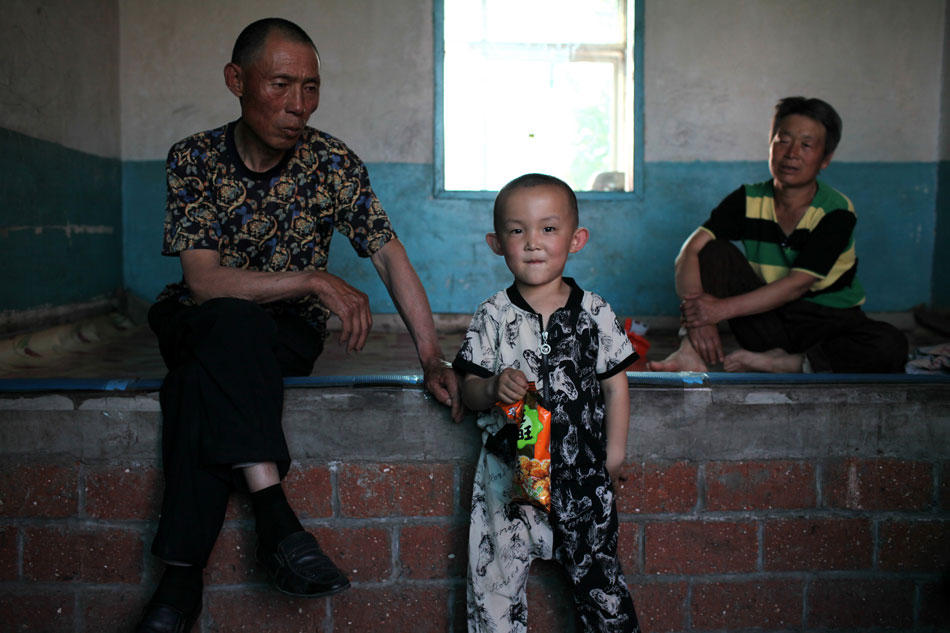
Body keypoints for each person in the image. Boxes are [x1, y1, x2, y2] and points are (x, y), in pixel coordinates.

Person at [137, 18, 461, 633]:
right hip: (197, 319)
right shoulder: (196, 159)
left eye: (311, 88)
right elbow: (204, 281)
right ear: (237, 80)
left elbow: (389, 254)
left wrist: (430, 358)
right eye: (281, 85)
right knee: (229, 324)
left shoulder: (332, 162)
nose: (298, 106)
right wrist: (314, 279)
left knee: (194, 385)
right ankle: (275, 519)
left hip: (282, 335)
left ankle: (179, 586)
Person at [453, 174, 641, 632]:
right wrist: (494, 385)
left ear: (576, 240)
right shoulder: (493, 314)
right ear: (497, 243)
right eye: (517, 231)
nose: (533, 243)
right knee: (494, 582)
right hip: (511, 471)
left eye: (548, 229)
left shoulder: (595, 312)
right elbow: (468, 389)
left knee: (600, 581)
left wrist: (613, 456)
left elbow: (616, 386)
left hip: (581, 472)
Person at [647, 97, 907, 374]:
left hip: (828, 322)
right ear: (770, 145)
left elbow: (797, 284)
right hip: (767, 321)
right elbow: (690, 251)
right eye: (783, 140)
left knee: (890, 344)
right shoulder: (748, 199)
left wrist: (720, 310)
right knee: (712, 251)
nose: (792, 153)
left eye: (806, 145)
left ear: (825, 160)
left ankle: (789, 363)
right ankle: (689, 353)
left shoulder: (836, 211)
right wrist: (698, 318)